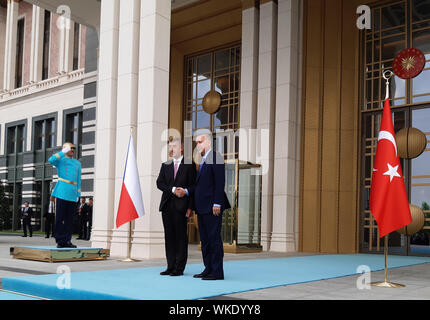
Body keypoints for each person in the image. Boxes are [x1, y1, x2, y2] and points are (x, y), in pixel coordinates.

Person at [192, 131, 230, 280]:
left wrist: (217, 203)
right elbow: (200, 185)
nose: (197, 145)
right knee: (206, 240)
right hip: (201, 208)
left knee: (214, 239)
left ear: (208, 142)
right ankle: (208, 268)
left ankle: (217, 272)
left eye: (199, 142)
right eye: (196, 143)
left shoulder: (216, 157)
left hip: (212, 207)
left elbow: (220, 182)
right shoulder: (203, 160)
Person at [156, 137, 196, 276]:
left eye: (174, 146)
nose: (172, 149)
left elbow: (194, 187)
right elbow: (159, 183)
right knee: (169, 237)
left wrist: (190, 207)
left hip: (182, 207)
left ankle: (179, 268)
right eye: (170, 146)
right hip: (167, 206)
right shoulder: (165, 165)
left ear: (182, 148)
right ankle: (170, 266)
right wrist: (172, 189)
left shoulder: (190, 165)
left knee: (180, 238)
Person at [48, 142, 81, 248]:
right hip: (62, 190)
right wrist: (62, 152)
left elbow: (78, 179)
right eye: (70, 148)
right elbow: (51, 160)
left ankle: (67, 240)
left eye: (73, 148)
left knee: (69, 219)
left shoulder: (77, 163)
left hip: (72, 192)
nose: (72, 150)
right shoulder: (60, 160)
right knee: (59, 218)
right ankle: (59, 240)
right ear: (65, 149)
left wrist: (78, 193)